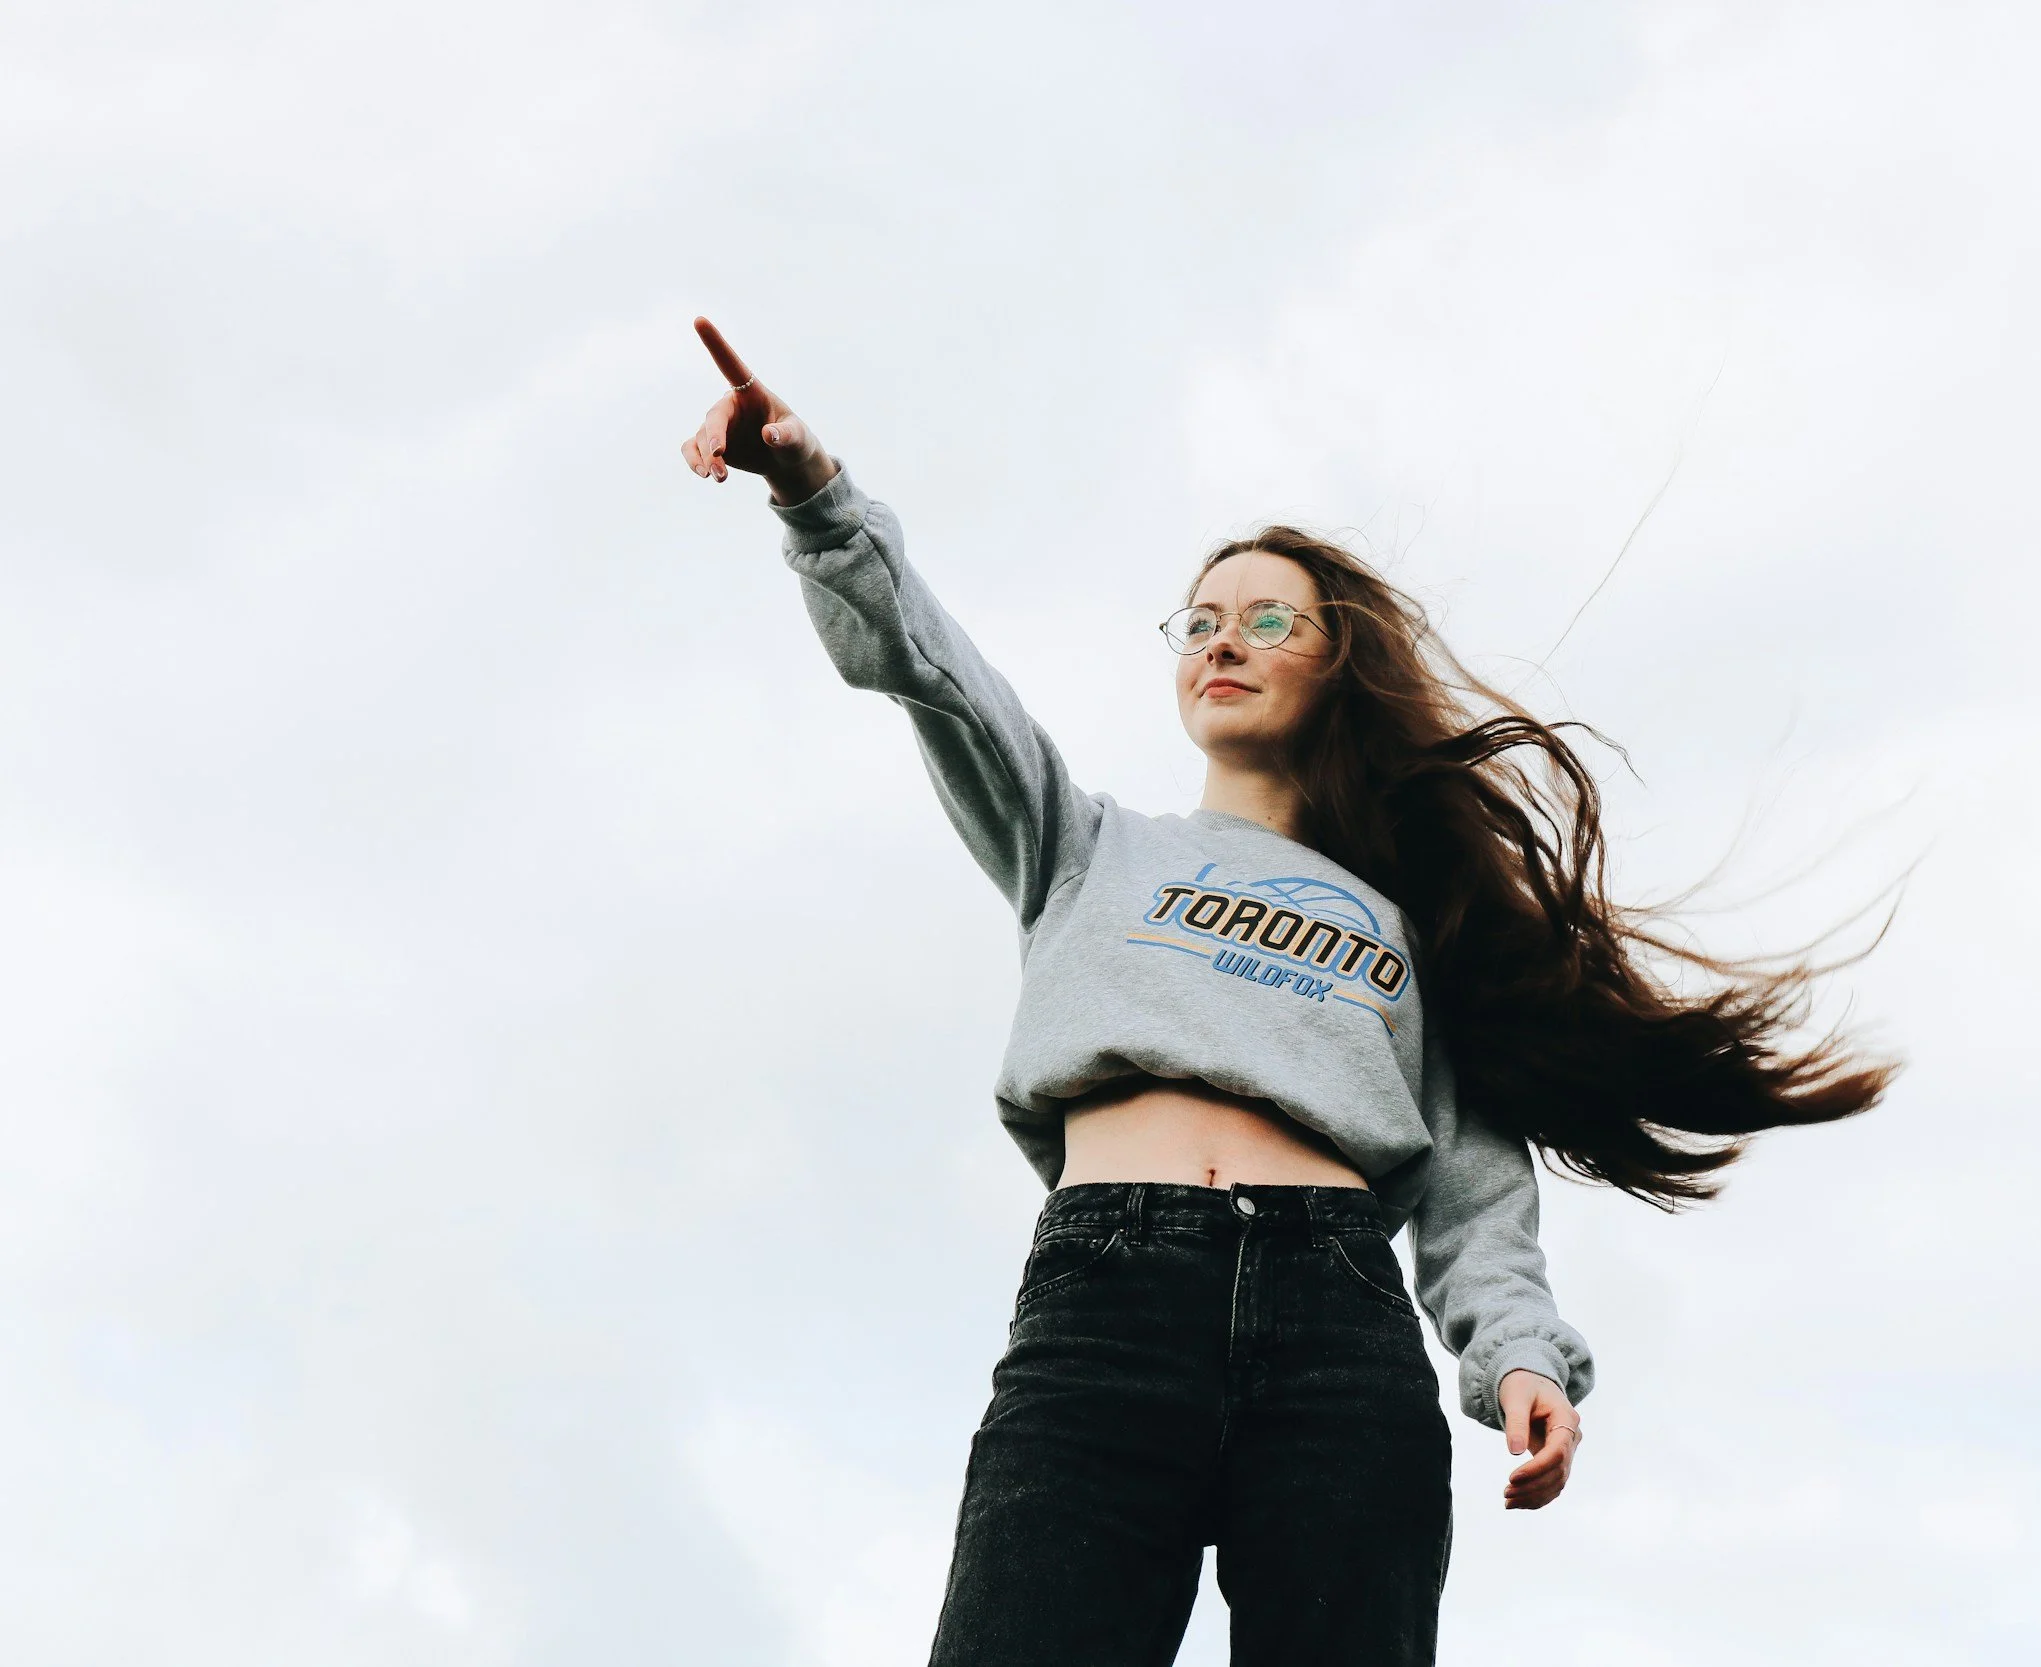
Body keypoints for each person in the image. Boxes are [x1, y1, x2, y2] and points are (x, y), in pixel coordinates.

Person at [679, 317, 1893, 1666]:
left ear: (1336, 662)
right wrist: (815, 494)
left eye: (1266, 619)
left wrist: (1521, 1355)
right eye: (1199, 621)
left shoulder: (1412, 930)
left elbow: (1476, 1187)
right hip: (1105, 1307)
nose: (1224, 640)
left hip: (1337, 1325)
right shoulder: (1085, 844)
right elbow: (934, 675)